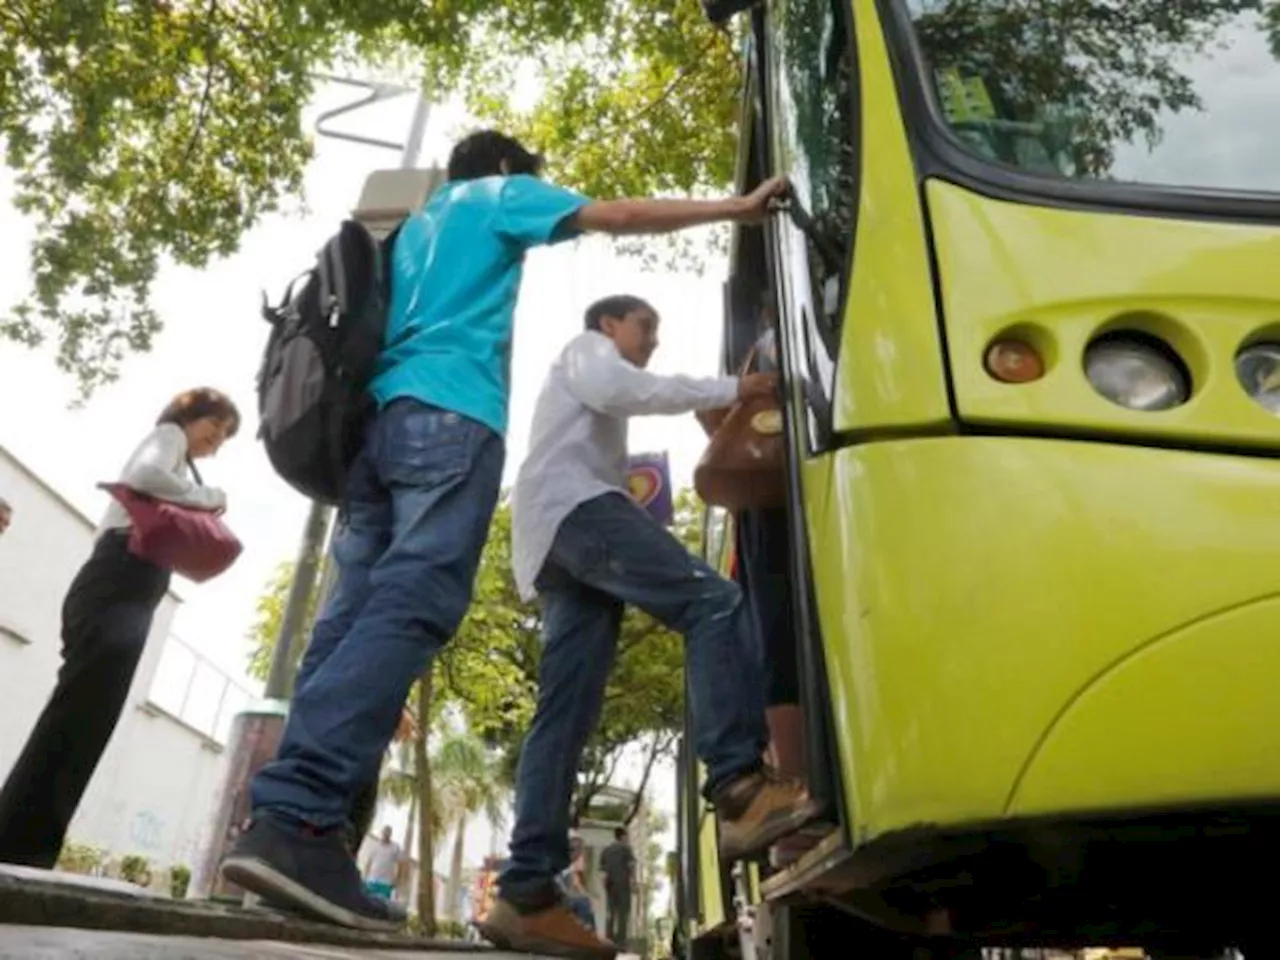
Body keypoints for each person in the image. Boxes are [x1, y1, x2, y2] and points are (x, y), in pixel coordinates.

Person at [220, 129, 791, 932]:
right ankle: (299, 816)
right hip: (454, 426)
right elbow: (618, 213)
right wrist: (736, 206)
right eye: (643, 328)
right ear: (503, 169)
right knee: (419, 606)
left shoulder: (413, 230)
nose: (646, 341)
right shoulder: (495, 199)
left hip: (376, 438)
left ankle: (497, 879)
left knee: (361, 625)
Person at [479, 296, 819, 960]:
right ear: (609, 324)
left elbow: (627, 395)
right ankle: (741, 786)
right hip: (576, 509)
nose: (653, 341)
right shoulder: (587, 352)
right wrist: (736, 386)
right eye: (647, 327)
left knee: (566, 712)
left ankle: (525, 891)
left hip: (551, 533)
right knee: (715, 602)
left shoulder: (587, 385)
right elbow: (621, 389)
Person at [0, 388, 238, 867]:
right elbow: (142, 475)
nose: (214, 446)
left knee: (88, 718)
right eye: (214, 432)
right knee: (80, 715)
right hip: (117, 582)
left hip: (127, 587)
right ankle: (18, 843)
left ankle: (27, 843)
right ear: (190, 417)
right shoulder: (168, 435)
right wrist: (210, 497)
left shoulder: (178, 454)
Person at [730, 301, 815, 868]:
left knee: (781, 650)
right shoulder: (778, 342)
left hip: (768, 506)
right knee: (787, 650)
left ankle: (796, 802)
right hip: (780, 504)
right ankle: (798, 802)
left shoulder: (757, 351)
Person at [599, 827, 635, 945]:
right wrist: (633, 881)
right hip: (623, 884)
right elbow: (631, 865)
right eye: (627, 836)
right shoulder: (626, 849)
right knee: (623, 914)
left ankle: (609, 938)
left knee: (611, 912)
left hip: (610, 885)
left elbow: (603, 872)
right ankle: (621, 941)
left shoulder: (606, 850)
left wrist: (605, 885)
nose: (628, 839)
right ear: (623, 836)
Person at [360, 825, 401, 901]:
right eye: (385, 832)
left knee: (382, 902)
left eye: (388, 833)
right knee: (369, 900)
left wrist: (396, 881)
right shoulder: (375, 845)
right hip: (372, 880)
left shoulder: (395, 847)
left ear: (390, 834)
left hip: (386, 883)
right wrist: (365, 877)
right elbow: (369, 862)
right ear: (382, 833)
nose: (386, 835)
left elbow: (399, 865)